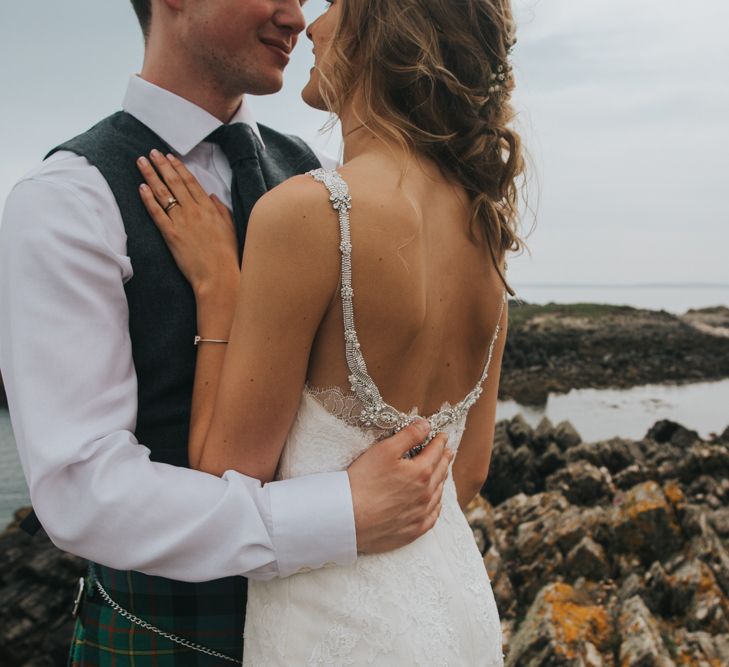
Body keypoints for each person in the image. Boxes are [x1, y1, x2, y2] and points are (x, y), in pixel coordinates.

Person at [0, 0, 454, 664]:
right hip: (165, 636)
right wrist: (340, 514)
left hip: (336, 627)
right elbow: (82, 488)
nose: (296, 16)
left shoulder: (321, 178)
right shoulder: (66, 199)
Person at [137, 0, 524, 663]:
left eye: (335, 5)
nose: (311, 25)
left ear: (386, 29)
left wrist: (219, 292)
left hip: (338, 628)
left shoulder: (310, 214)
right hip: (452, 608)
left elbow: (224, 472)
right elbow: (465, 474)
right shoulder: (484, 235)